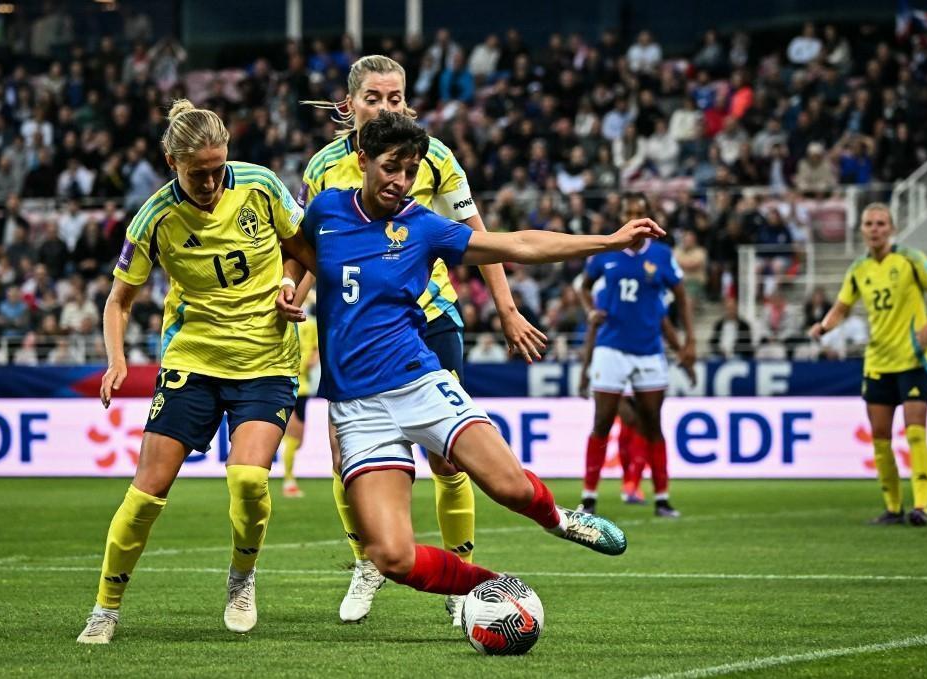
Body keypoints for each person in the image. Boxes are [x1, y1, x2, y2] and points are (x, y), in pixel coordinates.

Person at [277, 112, 659, 616]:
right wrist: (287, 286)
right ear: (363, 161)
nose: (401, 181)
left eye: (411, 170)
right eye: (392, 167)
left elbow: (517, 243)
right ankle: (494, 584)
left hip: (420, 383)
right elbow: (297, 249)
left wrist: (607, 242)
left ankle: (559, 521)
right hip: (357, 409)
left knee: (510, 487)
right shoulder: (325, 209)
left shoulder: (421, 226)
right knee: (390, 556)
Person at [299, 55, 546, 625]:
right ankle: (368, 562)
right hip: (352, 329)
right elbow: (316, 246)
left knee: (447, 461)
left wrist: (507, 309)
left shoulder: (433, 156)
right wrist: (295, 290)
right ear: (350, 104)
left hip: (428, 316)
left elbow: (478, 237)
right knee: (346, 461)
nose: (386, 107)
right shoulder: (321, 169)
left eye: (395, 98)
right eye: (374, 98)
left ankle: (466, 584)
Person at [76, 99, 315, 644]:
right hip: (194, 358)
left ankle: (242, 577)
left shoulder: (260, 186)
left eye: (216, 169)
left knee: (250, 479)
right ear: (170, 163)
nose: (209, 182)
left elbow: (305, 250)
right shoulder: (155, 218)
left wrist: (289, 289)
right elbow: (119, 301)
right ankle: (106, 607)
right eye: (196, 173)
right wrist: (117, 359)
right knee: (146, 493)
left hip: (265, 357)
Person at [810, 203, 927, 526]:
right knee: (880, 438)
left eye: (881, 223)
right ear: (862, 230)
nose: (875, 229)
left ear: (891, 228)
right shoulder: (858, 269)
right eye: (869, 224)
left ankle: (921, 507)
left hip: (912, 359)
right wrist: (823, 327)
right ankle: (893, 508)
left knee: (914, 431)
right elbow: (841, 307)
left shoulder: (912, 259)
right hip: (878, 362)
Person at [576, 193, 696, 518]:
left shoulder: (661, 254)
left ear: (649, 216)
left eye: (640, 212)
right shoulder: (606, 250)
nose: (635, 217)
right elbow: (584, 287)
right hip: (610, 346)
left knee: (653, 423)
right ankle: (588, 497)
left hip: (648, 349)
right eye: (629, 212)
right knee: (601, 422)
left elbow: (681, 297)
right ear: (622, 216)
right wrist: (590, 311)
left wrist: (689, 340)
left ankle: (662, 499)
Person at [281, 302, 319, 498]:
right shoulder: (288, 320)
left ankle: (288, 476)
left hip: (303, 387)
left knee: (298, 440)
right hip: (289, 385)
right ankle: (289, 481)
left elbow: (315, 352)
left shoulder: (309, 324)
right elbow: (315, 353)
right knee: (294, 437)